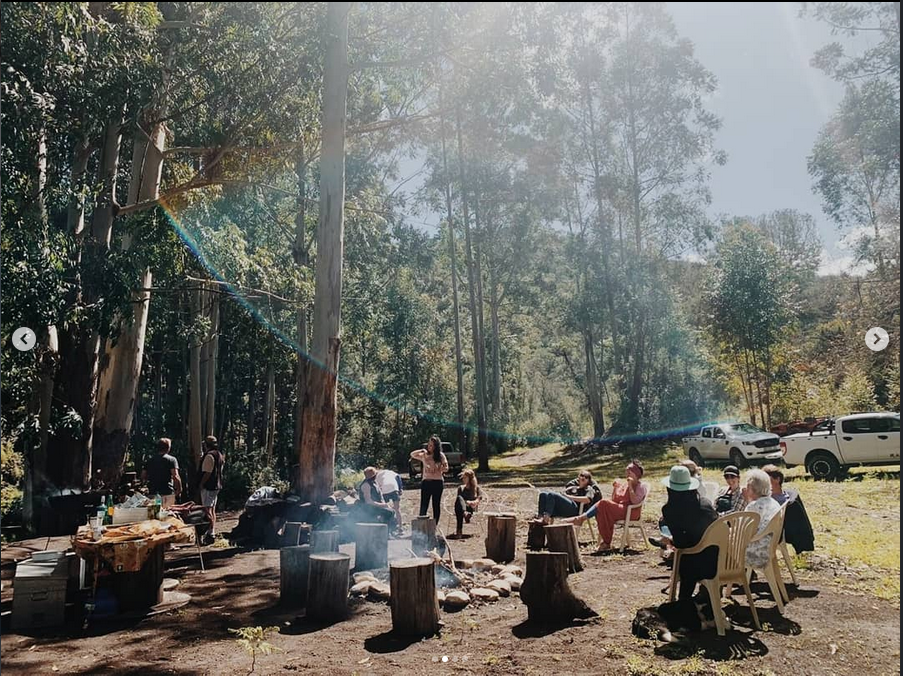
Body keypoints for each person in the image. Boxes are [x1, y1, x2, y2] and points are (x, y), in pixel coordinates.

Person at [659, 465, 719, 599]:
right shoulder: (705, 504)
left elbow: (681, 543)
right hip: (719, 560)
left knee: (686, 558)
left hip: (696, 567)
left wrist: (670, 540)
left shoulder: (669, 510)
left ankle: (684, 602)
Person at [569, 460, 646, 553]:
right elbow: (614, 500)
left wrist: (630, 487)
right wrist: (615, 488)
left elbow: (635, 502)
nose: (627, 473)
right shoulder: (624, 484)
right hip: (620, 510)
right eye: (626, 471)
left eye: (629, 471)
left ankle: (582, 519)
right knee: (601, 509)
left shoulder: (641, 486)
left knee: (603, 504)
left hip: (631, 512)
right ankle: (606, 542)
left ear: (635, 473)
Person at [743, 469, 781, 569]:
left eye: (748, 486)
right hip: (769, 548)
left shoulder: (753, 507)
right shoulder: (773, 502)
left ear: (753, 488)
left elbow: (743, 531)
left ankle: (722, 579)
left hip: (756, 553)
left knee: (720, 546)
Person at [535, 469, 602, 523]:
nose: (583, 477)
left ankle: (546, 519)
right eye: (582, 475)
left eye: (586, 477)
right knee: (543, 494)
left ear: (588, 480)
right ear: (578, 477)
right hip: (565, 508)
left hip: (576, 509)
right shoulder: (572, 487)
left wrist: (569, 497)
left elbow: (587, 499)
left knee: (552, 495)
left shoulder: (588, 488)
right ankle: (540, 517)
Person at [410, 436, 448, 523]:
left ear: (436, 446)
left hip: (437, 482)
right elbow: (412, 454)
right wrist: (421, 450)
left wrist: (439, 468)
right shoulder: (424, 455)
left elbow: (446, 468)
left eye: (432, 445)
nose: (430, 447)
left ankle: (435, 525)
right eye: (429, 445)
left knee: (436, 504)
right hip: (426, 482)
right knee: (424, 504)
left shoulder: (441, 455)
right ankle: (422, 525)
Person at [198, 435, 225, 545]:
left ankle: (209, 534)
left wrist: (201, 483)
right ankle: (212, 531)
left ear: (206, 445)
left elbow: (207, 472)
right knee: (212, 509)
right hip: (216, 486)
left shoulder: (209, 456)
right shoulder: (219, 454)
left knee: (207, 510)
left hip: (209, 487)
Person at [142, 438, 182, 508]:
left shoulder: (150, 460)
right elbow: (175, 476)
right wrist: (179, 490)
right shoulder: (172, 460)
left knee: (154, 514)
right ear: (168, 448)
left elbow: (143, 475)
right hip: (167, 493)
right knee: (167, 515)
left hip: (153, 492)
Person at [357, 467, 397, 532]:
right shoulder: (366, 485)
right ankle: (386, 532)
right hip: (368, 508)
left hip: (375, 506)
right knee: (389, 513)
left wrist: (385, 505)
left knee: (391, 511)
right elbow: (368, 501)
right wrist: (382, 505)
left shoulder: (375, 483)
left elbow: (380, 496)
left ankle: (389, 531)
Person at [453, 469, 482, 537]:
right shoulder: (461, 488)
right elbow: (459, 500)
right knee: (459, 499)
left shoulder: (476, 488)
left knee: (459, 509)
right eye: (463, 477)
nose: (463, 479)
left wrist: (471, 502)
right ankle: (465, 513)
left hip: (471, 508)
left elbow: (478, 500)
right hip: (462, 508)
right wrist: (466, 502)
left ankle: (459, 531)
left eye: (465, 478)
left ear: (470, 478)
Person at [376, 468, 404, 533]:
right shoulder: (391, 472)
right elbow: (398, 477)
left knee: (385, 509)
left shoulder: (377, 476)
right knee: (397, 509)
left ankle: (387, 528)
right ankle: (400, 528)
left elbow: (377, 487)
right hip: (394, 488)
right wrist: (400, 488)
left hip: (384, 490)